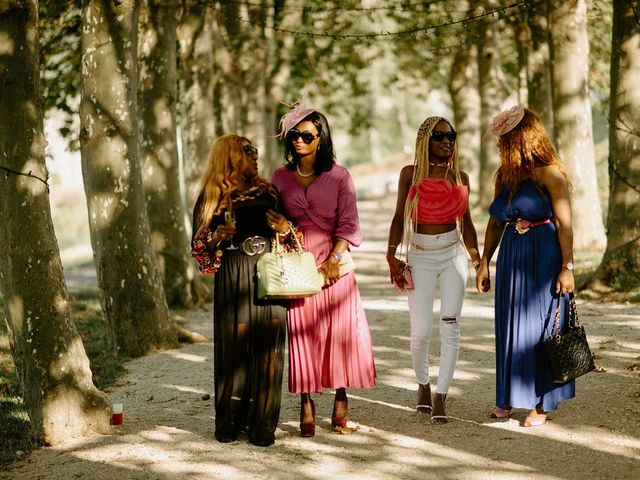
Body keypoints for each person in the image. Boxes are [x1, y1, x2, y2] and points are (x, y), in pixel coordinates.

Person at [271, 100, 376, 437]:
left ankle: (341, 398)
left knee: (339, 333)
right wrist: (283, 226)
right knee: (302, 335)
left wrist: (334, 259)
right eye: (294, 135)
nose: (298, 140)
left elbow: (349, 223)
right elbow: (272, 220)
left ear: (321, 138)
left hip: (335, 266)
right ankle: (306, 403)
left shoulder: (339, 176)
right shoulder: (279, 177)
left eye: (306, 135)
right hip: (298, 267)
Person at [476, 106, 576, 427]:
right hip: (512, 254)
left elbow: (564, 224)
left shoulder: (550, 173)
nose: (500, 145)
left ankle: (544, 403)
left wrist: (567, 267)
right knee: (510, 325)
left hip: (544, 252)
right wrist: (483, 263)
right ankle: (507, 398)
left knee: (542, 327)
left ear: (522, 138)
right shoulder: (505, 174)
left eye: (505, 139)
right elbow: (494, 223)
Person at [191, 134, 291, 447]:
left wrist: (285, 229)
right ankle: (229, 426)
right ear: (231, 156)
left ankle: (262, 427)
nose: (255, 156)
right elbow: (200, 255)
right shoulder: (210, 197)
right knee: (234, 353)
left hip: (268, 277)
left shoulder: (270, 192)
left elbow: (291, 237)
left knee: (268, 353)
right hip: (233, 278)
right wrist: (215, 237)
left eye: (255, 150)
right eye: (248, 151)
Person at [386, 116, 480, 425]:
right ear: (425, 140)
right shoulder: (409, 174)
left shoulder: (460, 177)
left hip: (452, 254)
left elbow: (466, 225)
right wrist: (390, 255)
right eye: (440, 136)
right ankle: (423, 384)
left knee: (450, 325)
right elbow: (400, 217)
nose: (447, 142)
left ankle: (441, 394)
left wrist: (479, 262)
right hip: (421, 255)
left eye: (451, 136)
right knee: (421, 331)